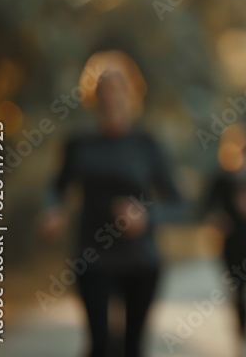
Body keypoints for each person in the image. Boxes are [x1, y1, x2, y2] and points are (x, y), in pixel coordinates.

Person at [38, 68, 183, 357]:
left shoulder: (146, 145)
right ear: (92, 98)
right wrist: (53, 210)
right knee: (100, 346)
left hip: (140, 260)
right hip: (92, 257)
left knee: (133, 347)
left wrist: (146, 216)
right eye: (103, 92)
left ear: (131, 95)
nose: (111, 99)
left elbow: (179, 205)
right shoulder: (78, 144)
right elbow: (57, 188)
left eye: (118, 91)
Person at [199, 123, 246, 346]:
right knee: (236, 287)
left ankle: (245, 328)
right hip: (227, 243)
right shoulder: (221, 179)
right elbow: (204, 207)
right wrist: (217, 217)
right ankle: (241, 331)